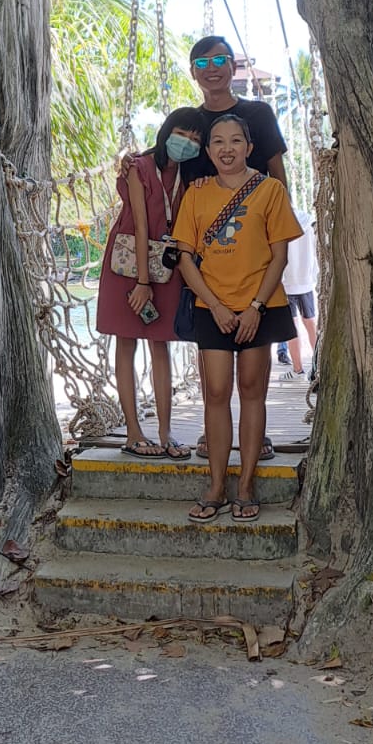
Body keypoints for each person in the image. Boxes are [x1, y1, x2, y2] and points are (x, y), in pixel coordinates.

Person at [172, 114, 302, 522]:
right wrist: (217, 304)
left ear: (249, 148)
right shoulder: (196, 193)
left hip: (261, 307)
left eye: (235, 141)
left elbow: (279, 255)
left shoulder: (270, 190)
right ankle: (215, 485)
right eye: (217, 142)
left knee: (251, 392)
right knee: (214, 393)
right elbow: (185, 258)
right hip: (213, 307)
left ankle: (245, 484)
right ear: (208, 151)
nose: (226, 149)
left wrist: (254, 308)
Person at [95, 109, 205, 458]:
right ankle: (132, 432)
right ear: (166, 131)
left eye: (195, 139)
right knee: (126, 343)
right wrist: (142, 282)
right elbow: (140, 225)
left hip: (165, 267)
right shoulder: (138, 167)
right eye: (181, 133)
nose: (186, 143)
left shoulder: (187, 177)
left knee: (162, 345)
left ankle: (166, 431)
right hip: (129, 265)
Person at [179, 35, 288, 189]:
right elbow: (163, 161)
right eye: (202, 62)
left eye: (219, 60)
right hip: (201, 210)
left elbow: (278, 174)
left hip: (258, 210)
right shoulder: (188, 123)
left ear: (234, 67)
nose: (211, 68)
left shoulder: (260, 113)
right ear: (192, 72)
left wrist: (285, 210)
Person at [278, 203, 319, 381]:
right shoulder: (308, 221)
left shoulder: (278, 222)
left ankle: (298, 369)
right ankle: (318, 366)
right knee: (310, 323)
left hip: (286, 281)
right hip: (306, 279)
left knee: (291, 325)